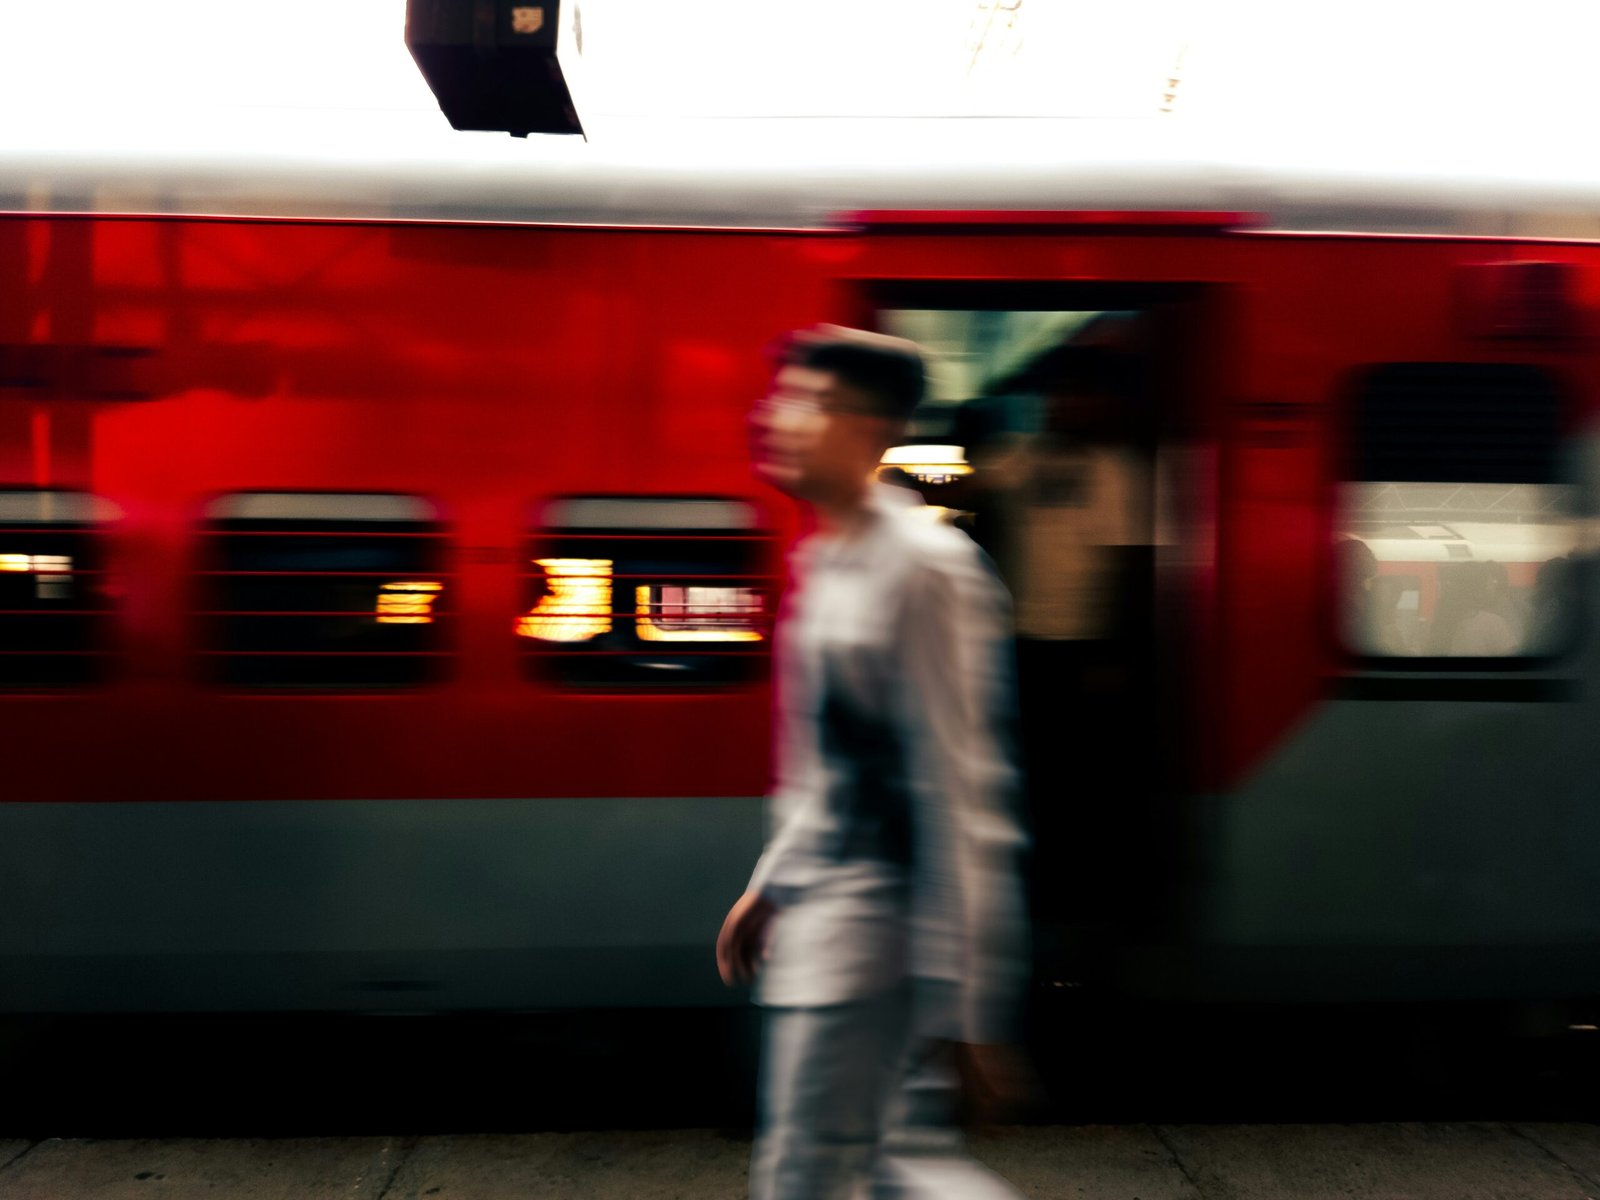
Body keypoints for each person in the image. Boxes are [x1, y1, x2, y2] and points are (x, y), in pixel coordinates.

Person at [717, 326, 1029, 1200]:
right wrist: (772, 884)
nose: (773, 418)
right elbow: (827, 768)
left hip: (875, 939)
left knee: (809, 1175)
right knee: (883, 1165)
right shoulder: (827, 558)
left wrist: (969, 1006)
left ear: (867, 427)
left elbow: (959, 789)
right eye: (777, 397)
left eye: (804, 402)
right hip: (828, 920)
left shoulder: (927, 571)